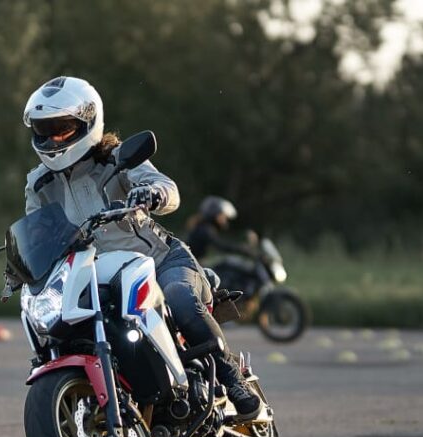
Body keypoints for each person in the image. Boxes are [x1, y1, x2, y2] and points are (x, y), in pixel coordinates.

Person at [20, 76, 262, 419]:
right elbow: (36, 231)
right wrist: (24, 262)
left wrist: (153, 194)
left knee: (179, 296)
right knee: (61, 325)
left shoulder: (117, 158)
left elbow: (166, 188)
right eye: (43, 131)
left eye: (60, 129)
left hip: (159, 260)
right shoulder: (38, 183)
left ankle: (232, 379)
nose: (51, 139)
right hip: (96, 275)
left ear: (87, 122)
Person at [185, 196, 257, 262]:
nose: (225, 220)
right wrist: (243, 249)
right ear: (215, 214)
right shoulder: (205, 230)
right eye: (223, 216)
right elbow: (221, 246)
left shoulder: (203, 227)